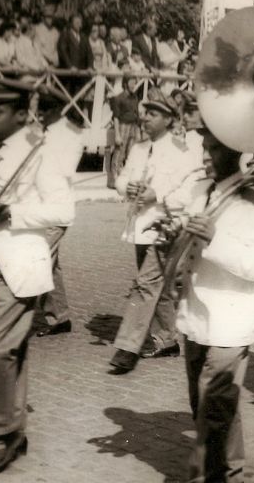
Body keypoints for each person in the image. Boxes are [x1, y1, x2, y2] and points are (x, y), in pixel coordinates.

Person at [0, 79, 74, 475]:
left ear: (21, 114)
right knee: (7, 352)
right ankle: (13, 433)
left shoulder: (40, 153)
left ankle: (2, 434)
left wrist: (11, 215)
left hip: (17, 267)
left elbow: (63, 209)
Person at [174, 128, 254, 483]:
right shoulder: (200, 191)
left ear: (234, 152)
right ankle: (230, 473)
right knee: (207, 406)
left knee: (213, 408)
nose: (205, 156)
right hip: (194, 317)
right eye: (204, 148)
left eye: (213, 149)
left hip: (229, 321)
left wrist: (213, 238)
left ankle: (210, 476)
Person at [109, 90, 196, 375]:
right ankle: (167, 339)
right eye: (145, 112)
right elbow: (121, 177)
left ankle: (127, 347)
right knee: (161, 287)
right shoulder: (138, 147)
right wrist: (128, 187)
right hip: (139, 225)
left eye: (153, 114)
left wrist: (156, 195)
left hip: (165, 225)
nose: (145, 118)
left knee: (145, 284)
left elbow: (190, 189)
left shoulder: (183, 150)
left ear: (169, 119)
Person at [31, 85, 86, 338]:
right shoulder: (45, 132)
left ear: (55, 109)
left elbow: (64, 170)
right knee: (51, 265)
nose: (38, 116)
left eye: (43, 111)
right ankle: (59, 317)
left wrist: (42, 143)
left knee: (37, 261)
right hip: (40, 208)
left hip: (56, 208)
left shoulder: (70, 135)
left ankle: (18, 319)